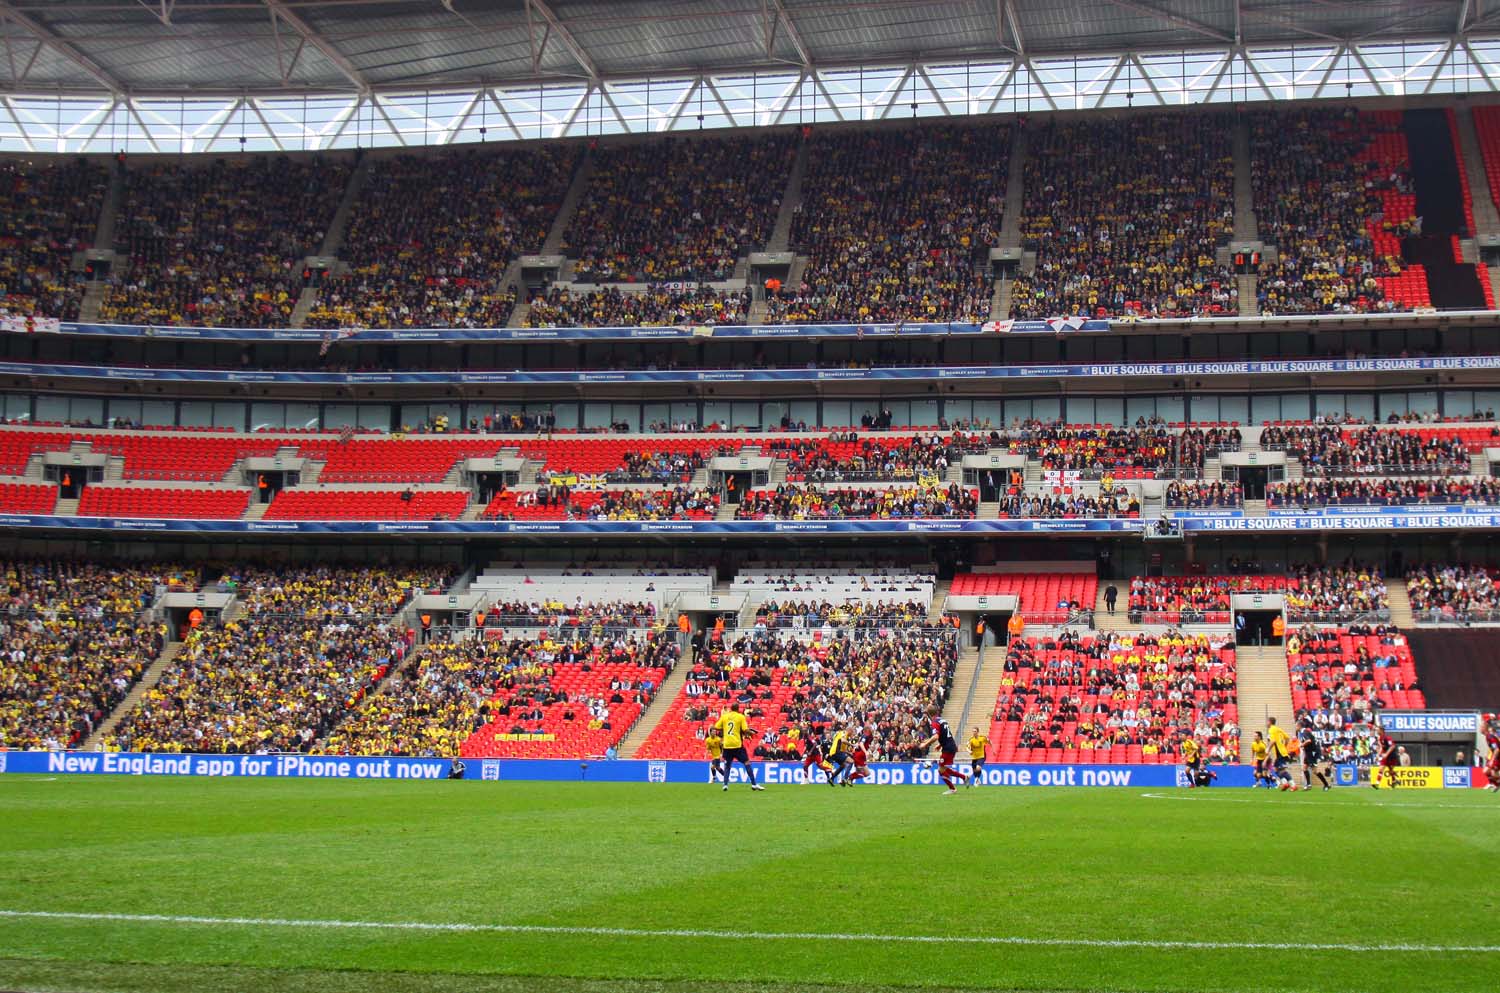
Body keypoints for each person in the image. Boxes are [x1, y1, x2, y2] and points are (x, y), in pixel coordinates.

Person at [713, 704, 765, 792]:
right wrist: (752, 733)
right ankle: (754, 784)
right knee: (747, 762)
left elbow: (716, 726)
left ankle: (725, 785)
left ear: (731, 709)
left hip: (727, 745)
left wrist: (725, 729)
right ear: (738, 709)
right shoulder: (740, 717)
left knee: (727, 765)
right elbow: (745, 729)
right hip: (737, 744)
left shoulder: (725, 716)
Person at [918, 705, 968, 795]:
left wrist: (925, 744)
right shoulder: (942, 720)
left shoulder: (934, 722)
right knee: (942, 768)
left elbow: (936, 736)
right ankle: (964, 777)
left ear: (928, 714)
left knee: (941, 770)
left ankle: (953, 789)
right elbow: (946, 734)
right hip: (950, 746)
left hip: (948, 748)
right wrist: (940, 744)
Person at [1298, 723, 1331, 792]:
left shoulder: (1305, 732)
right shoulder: (1304, 732)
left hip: (1312, 753)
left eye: (1296, 726)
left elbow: (1308, 741)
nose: (1296, 727)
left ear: (1299, 726)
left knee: (1315, 771)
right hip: (1309, 752)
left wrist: (1301, 745)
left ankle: (1326, 784)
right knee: (1304, 768)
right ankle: (1309, 785)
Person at [1266, 717, 1294, 789]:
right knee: (1279, 769)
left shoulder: (1271, 729)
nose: (1266, 723)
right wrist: (1284, 746)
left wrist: (1268, 749)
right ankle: (1288, 784)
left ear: (1270, 722)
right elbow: (1287, 738)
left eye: (1267, 722)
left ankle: (1289, 784)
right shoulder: (1278, 729)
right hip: (1283, 752)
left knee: (1277, 769)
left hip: (1279, 753)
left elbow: (1273, 741)